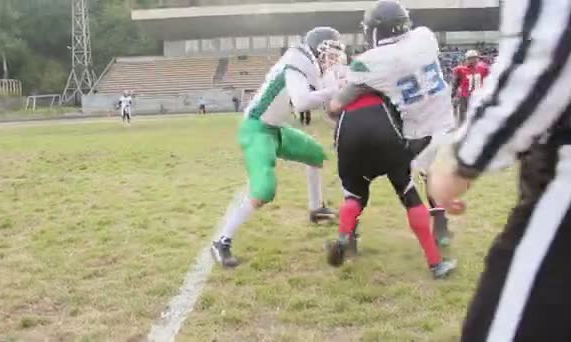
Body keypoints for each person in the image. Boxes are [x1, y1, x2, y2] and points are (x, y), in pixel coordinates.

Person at [429, 0, 571, 340]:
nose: (472, 61)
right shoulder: (463, 72)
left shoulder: (481, 70)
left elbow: (551, 53)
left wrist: (462, 158)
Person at [326, 0, 456, 278]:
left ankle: (348, 237)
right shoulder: (425, 37)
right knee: (427, 181)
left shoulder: (370, 62)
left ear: (376, 30)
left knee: (371, 187)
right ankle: (440, 230)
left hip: (409, 132)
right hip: (442, 124)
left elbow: (339, 103)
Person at [210, 27, 345, 268]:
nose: (332, 60)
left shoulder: (312, 67)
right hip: (256, 128)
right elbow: (302, 101)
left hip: (274, 128)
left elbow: (328, 102)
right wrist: (333, 91)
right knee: (263, 191)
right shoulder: (296, 63)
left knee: (315, 154)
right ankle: (221, 241)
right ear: (316, 49)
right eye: (330, 53)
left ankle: (316, 209)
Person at [452, 50, 490, 125]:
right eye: (471, 58)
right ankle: (461, 127)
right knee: (463, 114)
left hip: (479, 94)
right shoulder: (460, 69)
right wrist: (454, 95)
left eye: (475, 58)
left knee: (479, 112)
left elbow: (489, 80)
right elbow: (456, 83)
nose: (474, 60)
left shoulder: (483, 68)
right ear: (467, 59)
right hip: (465, 95)